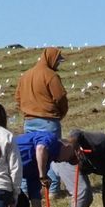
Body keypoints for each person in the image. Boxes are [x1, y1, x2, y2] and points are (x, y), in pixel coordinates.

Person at [15, 48, 69, 176]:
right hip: (48, 122)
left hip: (29, 122)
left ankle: (27, 188)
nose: (58, 64)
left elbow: (17, 97)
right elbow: (60, 97)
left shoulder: (26, 75)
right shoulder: (51, 75)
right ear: (52, 59)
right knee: (52, 155)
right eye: (58, 61)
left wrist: (27, 111)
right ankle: (51, 189)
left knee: (30, 155)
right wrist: (61, 113)